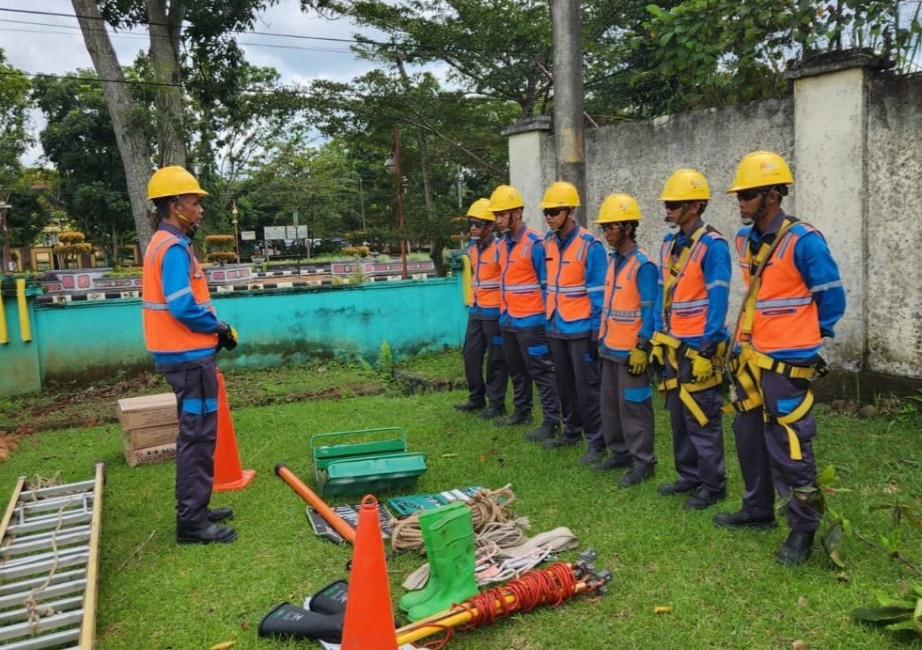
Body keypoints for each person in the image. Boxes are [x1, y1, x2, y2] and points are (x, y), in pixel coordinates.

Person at [715, 151, 845, 566]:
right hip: (750, 358)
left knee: (790, 443)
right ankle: (756, 509)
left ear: (773, 195)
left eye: (749, 194)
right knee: (748, 435)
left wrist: (805, 340)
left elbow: (831, 298)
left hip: (786, 363)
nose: (741, 201)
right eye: (740, 194)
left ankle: (802, 531)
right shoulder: (743, 239)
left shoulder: (804, 240)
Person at [142, 165, 239, 545]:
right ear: (174, 205)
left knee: (195, 435)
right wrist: (219, 328)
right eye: (194, 202)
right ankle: (192, 523)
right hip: (188, 358)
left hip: (182, 355)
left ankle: (197, 507)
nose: (199, 209)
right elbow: (182, 307)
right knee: (197, 437)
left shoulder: (163, 243)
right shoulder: (174, 249)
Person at [652, 169, 731, 510]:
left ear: (695, 206)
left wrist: (707, 347)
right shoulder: (670, 244)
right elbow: (662, 293)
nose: (668, 209)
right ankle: (689, 475)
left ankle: (713, 484)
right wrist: (657, 336)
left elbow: (718, 300)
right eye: (667, 204)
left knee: (702, 415)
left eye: (674, 204)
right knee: (679, 414)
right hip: (672, 345)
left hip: (698, 347)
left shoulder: (713, 246)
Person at [538, 182, 608, 463]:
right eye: (546, 212)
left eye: (555, 211)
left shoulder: (590, 245)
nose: (550, 216)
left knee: (587, 388)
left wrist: (595, 332)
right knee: (564, 385)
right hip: (556, 326)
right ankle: (571, 432)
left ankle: (597, 441)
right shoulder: (548, 242)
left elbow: (599, 295)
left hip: (581, 330)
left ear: (571, 211)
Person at [488, 184, 561, 440]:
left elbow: (546, 284)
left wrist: (547, 322)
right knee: (516, 369)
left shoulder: (535, 243)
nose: (497, 220)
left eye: (502, 214)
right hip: (508, 319)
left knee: (540, 370)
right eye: (496, 215)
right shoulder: (502, 244)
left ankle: (551, 421)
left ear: (517, 213)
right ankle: (522, 411)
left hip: (532, 322)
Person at [595, 194, 658, 486]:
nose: (607, 233)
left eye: (612, 227)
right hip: (609, 346)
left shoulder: (642, 265)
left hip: (631, 351)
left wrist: (642, 346)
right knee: (610, 405)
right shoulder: (613, 262)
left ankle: (643, 461)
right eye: (604, 228)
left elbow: (650, 311)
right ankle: (618, 452)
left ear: (629, 228)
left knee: (634, 407)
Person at [454, 198, 508, 419]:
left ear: (489, 226)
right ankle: (476, 397)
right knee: (471, 354)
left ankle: (497, 404)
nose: (473, 228)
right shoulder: (472, 249)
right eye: (470, 224)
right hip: (476, 311)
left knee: (496, 359)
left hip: (494, 313)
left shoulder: (501, 248)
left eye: (477, 224)